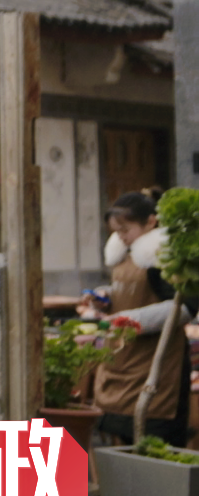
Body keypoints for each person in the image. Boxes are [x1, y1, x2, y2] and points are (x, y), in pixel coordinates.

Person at [79, 189, 192, 445]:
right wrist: (104, 297)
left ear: (151, 222)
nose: (121, 236)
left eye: (125, 230)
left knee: (152, 435)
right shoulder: (126, 253)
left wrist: (132, 319)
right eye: (116, 231)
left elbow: (184, 307)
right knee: (120, 434)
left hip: (156, 362)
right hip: (123, 357)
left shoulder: (163, 258)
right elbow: (130, 291)